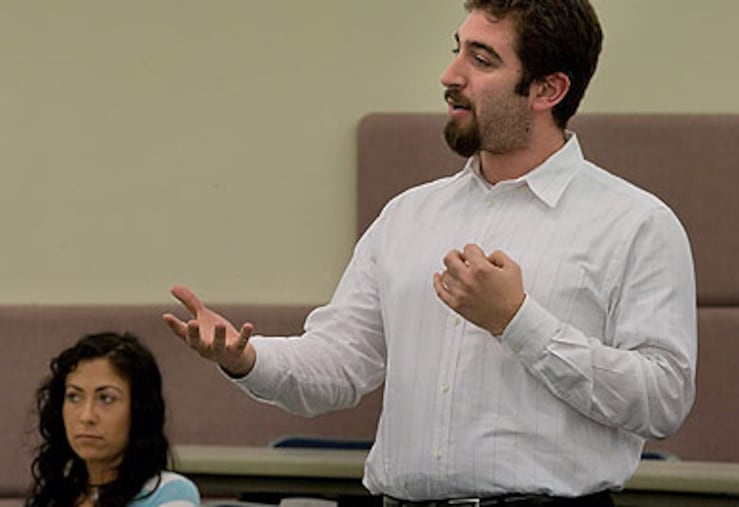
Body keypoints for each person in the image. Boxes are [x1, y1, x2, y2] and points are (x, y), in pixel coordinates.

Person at [164, 1, 697, 505]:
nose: (450, 75)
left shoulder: (634, 224)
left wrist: (517, 321)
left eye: (481, 59)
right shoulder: (407, 217)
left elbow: (662, 400)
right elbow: (340, 364)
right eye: (458, 48)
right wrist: (247, 359)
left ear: (548, 89)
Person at [27, 332, 201, 507]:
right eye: (74, 397)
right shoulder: (55, 495)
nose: (86, 416)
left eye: (106, 399)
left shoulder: (169, 493)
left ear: (139, 410)